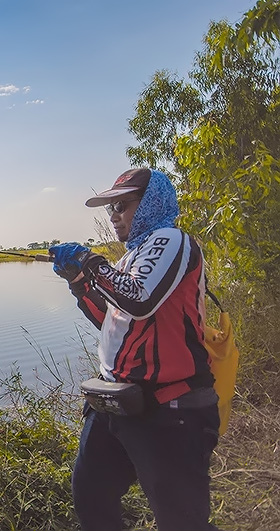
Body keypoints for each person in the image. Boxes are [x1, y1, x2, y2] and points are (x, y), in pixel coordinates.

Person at [48, 168, 220, 531]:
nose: (113, 216)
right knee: (91, 495)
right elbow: (115, 321)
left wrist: (91, 262)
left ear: (150, 204)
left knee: (181, 520)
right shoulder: (133, 256)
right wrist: (80, 283)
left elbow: (138, 299)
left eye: (122, 206)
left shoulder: (171, 240)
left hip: (169, 409)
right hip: (117, 402)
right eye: (110, 208)